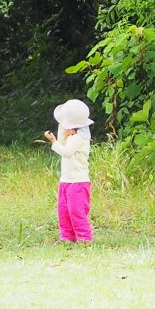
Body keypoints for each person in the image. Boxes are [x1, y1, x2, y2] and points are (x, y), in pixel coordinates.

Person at [43, 99, 93, 243]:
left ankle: (84, 237)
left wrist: (53, 141)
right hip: (66, 181)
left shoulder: (79, 138)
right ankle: (67, 237)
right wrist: (61, 135)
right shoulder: (71, 137)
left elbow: (66, 152)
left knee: (76, 210)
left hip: (78, 182)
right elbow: (63, 143)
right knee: (63, 210)